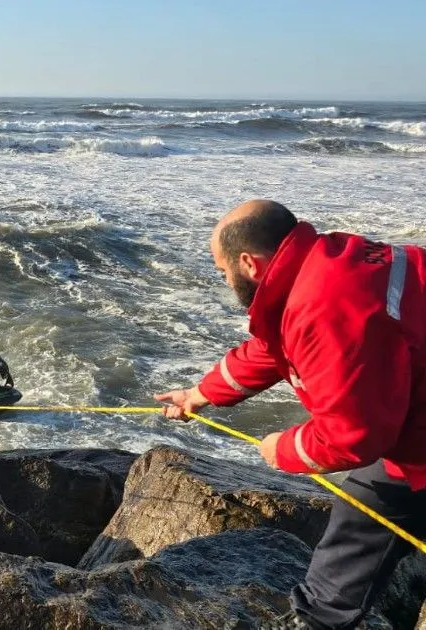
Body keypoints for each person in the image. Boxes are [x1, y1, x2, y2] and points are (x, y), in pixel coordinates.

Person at [155, 200, 426, 630]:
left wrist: (283, 449)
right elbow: (270, 350)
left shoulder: (324, 307)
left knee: (367, 508)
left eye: (222, 271)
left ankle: (317, 621)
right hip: (414, 413)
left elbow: (354, 437)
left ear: (249, 263)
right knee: (367, 508)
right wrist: (198, 396)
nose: (224, 281)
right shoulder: (324, 263)